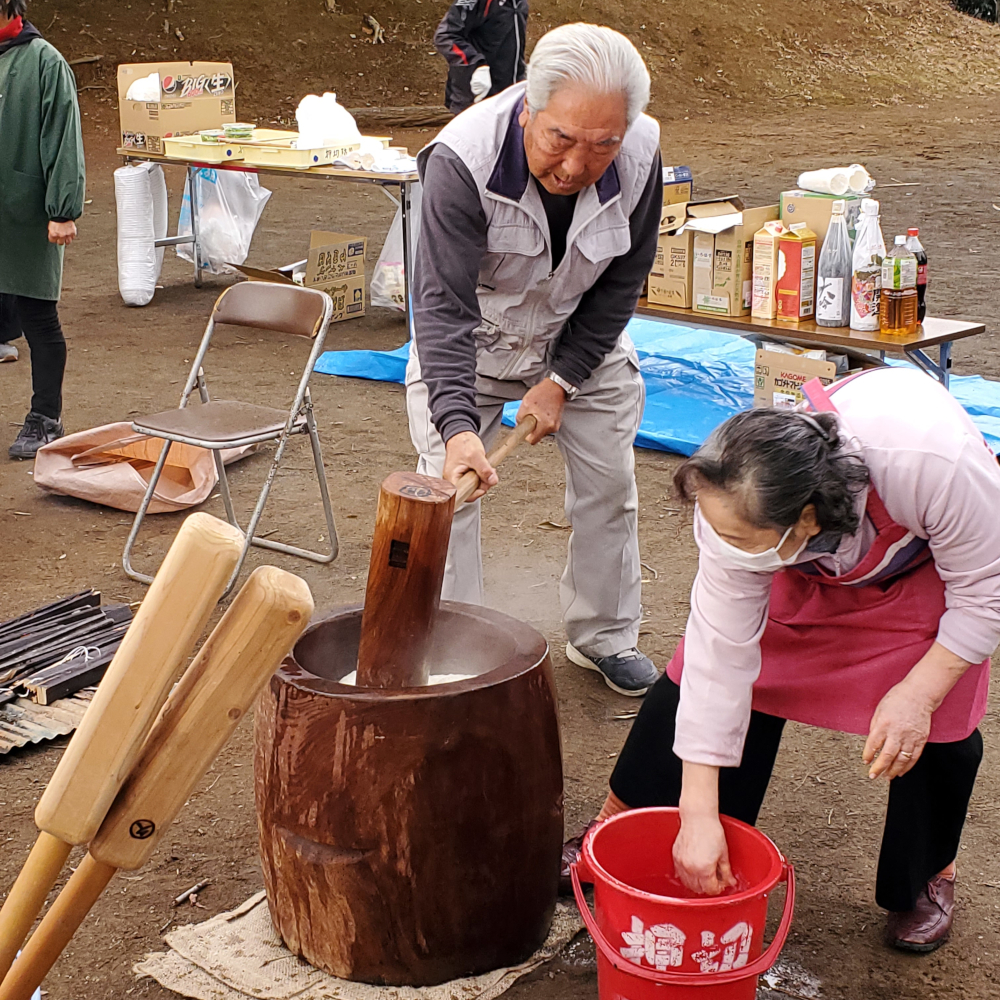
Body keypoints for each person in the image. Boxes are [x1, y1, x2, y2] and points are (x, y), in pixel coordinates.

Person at [564, 366, 1000, 954]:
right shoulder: (734, 493)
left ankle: (923, 878)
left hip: (923, 573)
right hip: (797, 562)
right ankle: (627, 825)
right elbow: (720, 655)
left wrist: (917, 692)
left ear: (810, 518)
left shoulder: (932, 463)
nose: (720, 544)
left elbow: (984, 594)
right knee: (696, 674)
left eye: (737, 539)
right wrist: (697, 814)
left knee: (940, 722)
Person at [408, 23, 663, 696]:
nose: (579, 165)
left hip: (583, 337)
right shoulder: (461, 161)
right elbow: (440, 310)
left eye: (604, 143)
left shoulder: (641, 152)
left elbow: (622, 281)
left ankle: (604, 635)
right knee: (449, 496)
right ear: (529, 107)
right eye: (562, 139)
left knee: (609, 486)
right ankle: (455, 651)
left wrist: (563, 379)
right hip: (475, 342)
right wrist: (459, 428)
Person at [0, 0, 85, 459]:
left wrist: (63, 209)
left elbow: (62, 136)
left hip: (26, 210)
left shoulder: (45, 62)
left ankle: (45, 418)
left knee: (38, 315)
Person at [434, 0, 528, 115]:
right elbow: (445, 36)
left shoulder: (520, 3)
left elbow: (513, 41)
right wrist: (476, 65)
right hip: (476, 95)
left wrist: (522, 71)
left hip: (510, 96)